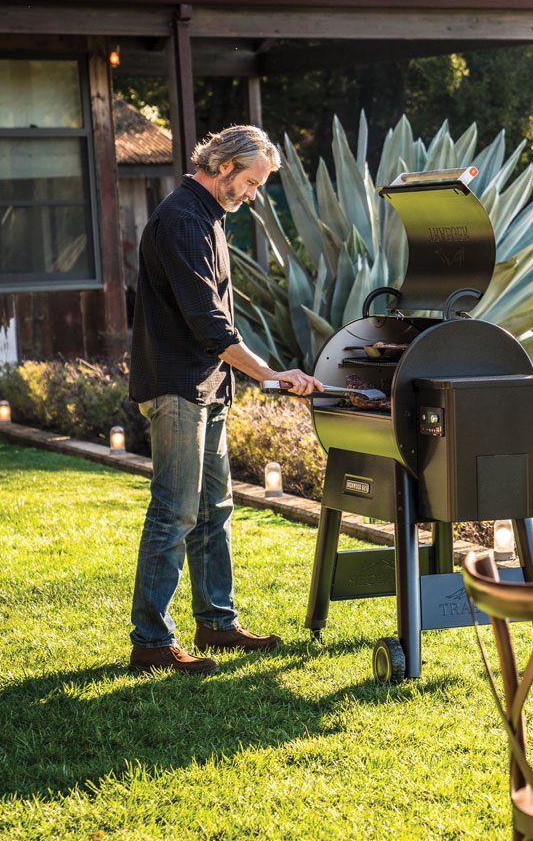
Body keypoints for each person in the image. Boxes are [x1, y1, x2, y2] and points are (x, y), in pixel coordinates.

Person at [127, 124, 323, 674]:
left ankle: (215, 622)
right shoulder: (183, 220)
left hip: (206, 385)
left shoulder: (208, 217)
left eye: (259, 185)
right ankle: (151, 641)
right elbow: (210, 325)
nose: (252, 194)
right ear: (223, 165)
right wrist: (269, 373)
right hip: (176, 387)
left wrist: (245, 378)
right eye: (251, 182)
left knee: (214, 508)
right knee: (175, 511)